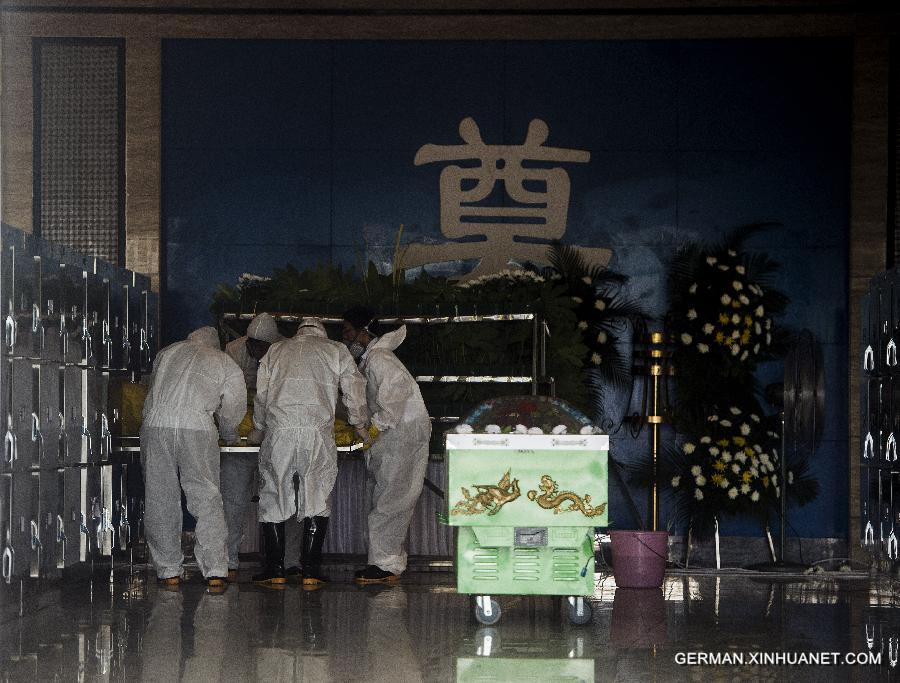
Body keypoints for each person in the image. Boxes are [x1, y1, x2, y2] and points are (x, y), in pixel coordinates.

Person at [252, 316, 370, 586]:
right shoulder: (336, 350)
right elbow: (354, 389)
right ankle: (311, 572)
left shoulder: (276, 350)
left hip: (279, 431)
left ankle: (275, 570)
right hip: (317, 433)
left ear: (298, 332)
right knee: (317, 494)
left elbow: (262, 394)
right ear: (322, 332)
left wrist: (258, 427)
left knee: (274, 493)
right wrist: (360, 424)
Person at [141, 326, 246, 590]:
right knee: (206, 496)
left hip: (156, 425)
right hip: (197, 428)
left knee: (159, 496)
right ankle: (215, 571)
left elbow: (152, 391)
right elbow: (233, 407)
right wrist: (229, 434)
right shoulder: (224, 361)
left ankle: (168, 571)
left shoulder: (167, 353)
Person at [341, 306, 431, 584]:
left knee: (391, 499)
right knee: (388, 497)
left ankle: (385, 564)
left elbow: (396, 391)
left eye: (348, 333)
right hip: (397, 436)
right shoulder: (373, 359)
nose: (346, 340)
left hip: (400, 436)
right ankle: (384, 561)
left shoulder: (380, 358)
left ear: (364, 333)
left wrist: (374, 427)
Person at [221, 312, 282, 581]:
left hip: (275, 433)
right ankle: (228, 559)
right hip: (240, 434)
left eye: (261, 347)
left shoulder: (284, 351)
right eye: (252, 345)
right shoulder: (232, 351)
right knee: (233, 499)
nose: (255, 351)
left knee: (279, 499)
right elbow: (227, 397)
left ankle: (285, 563)